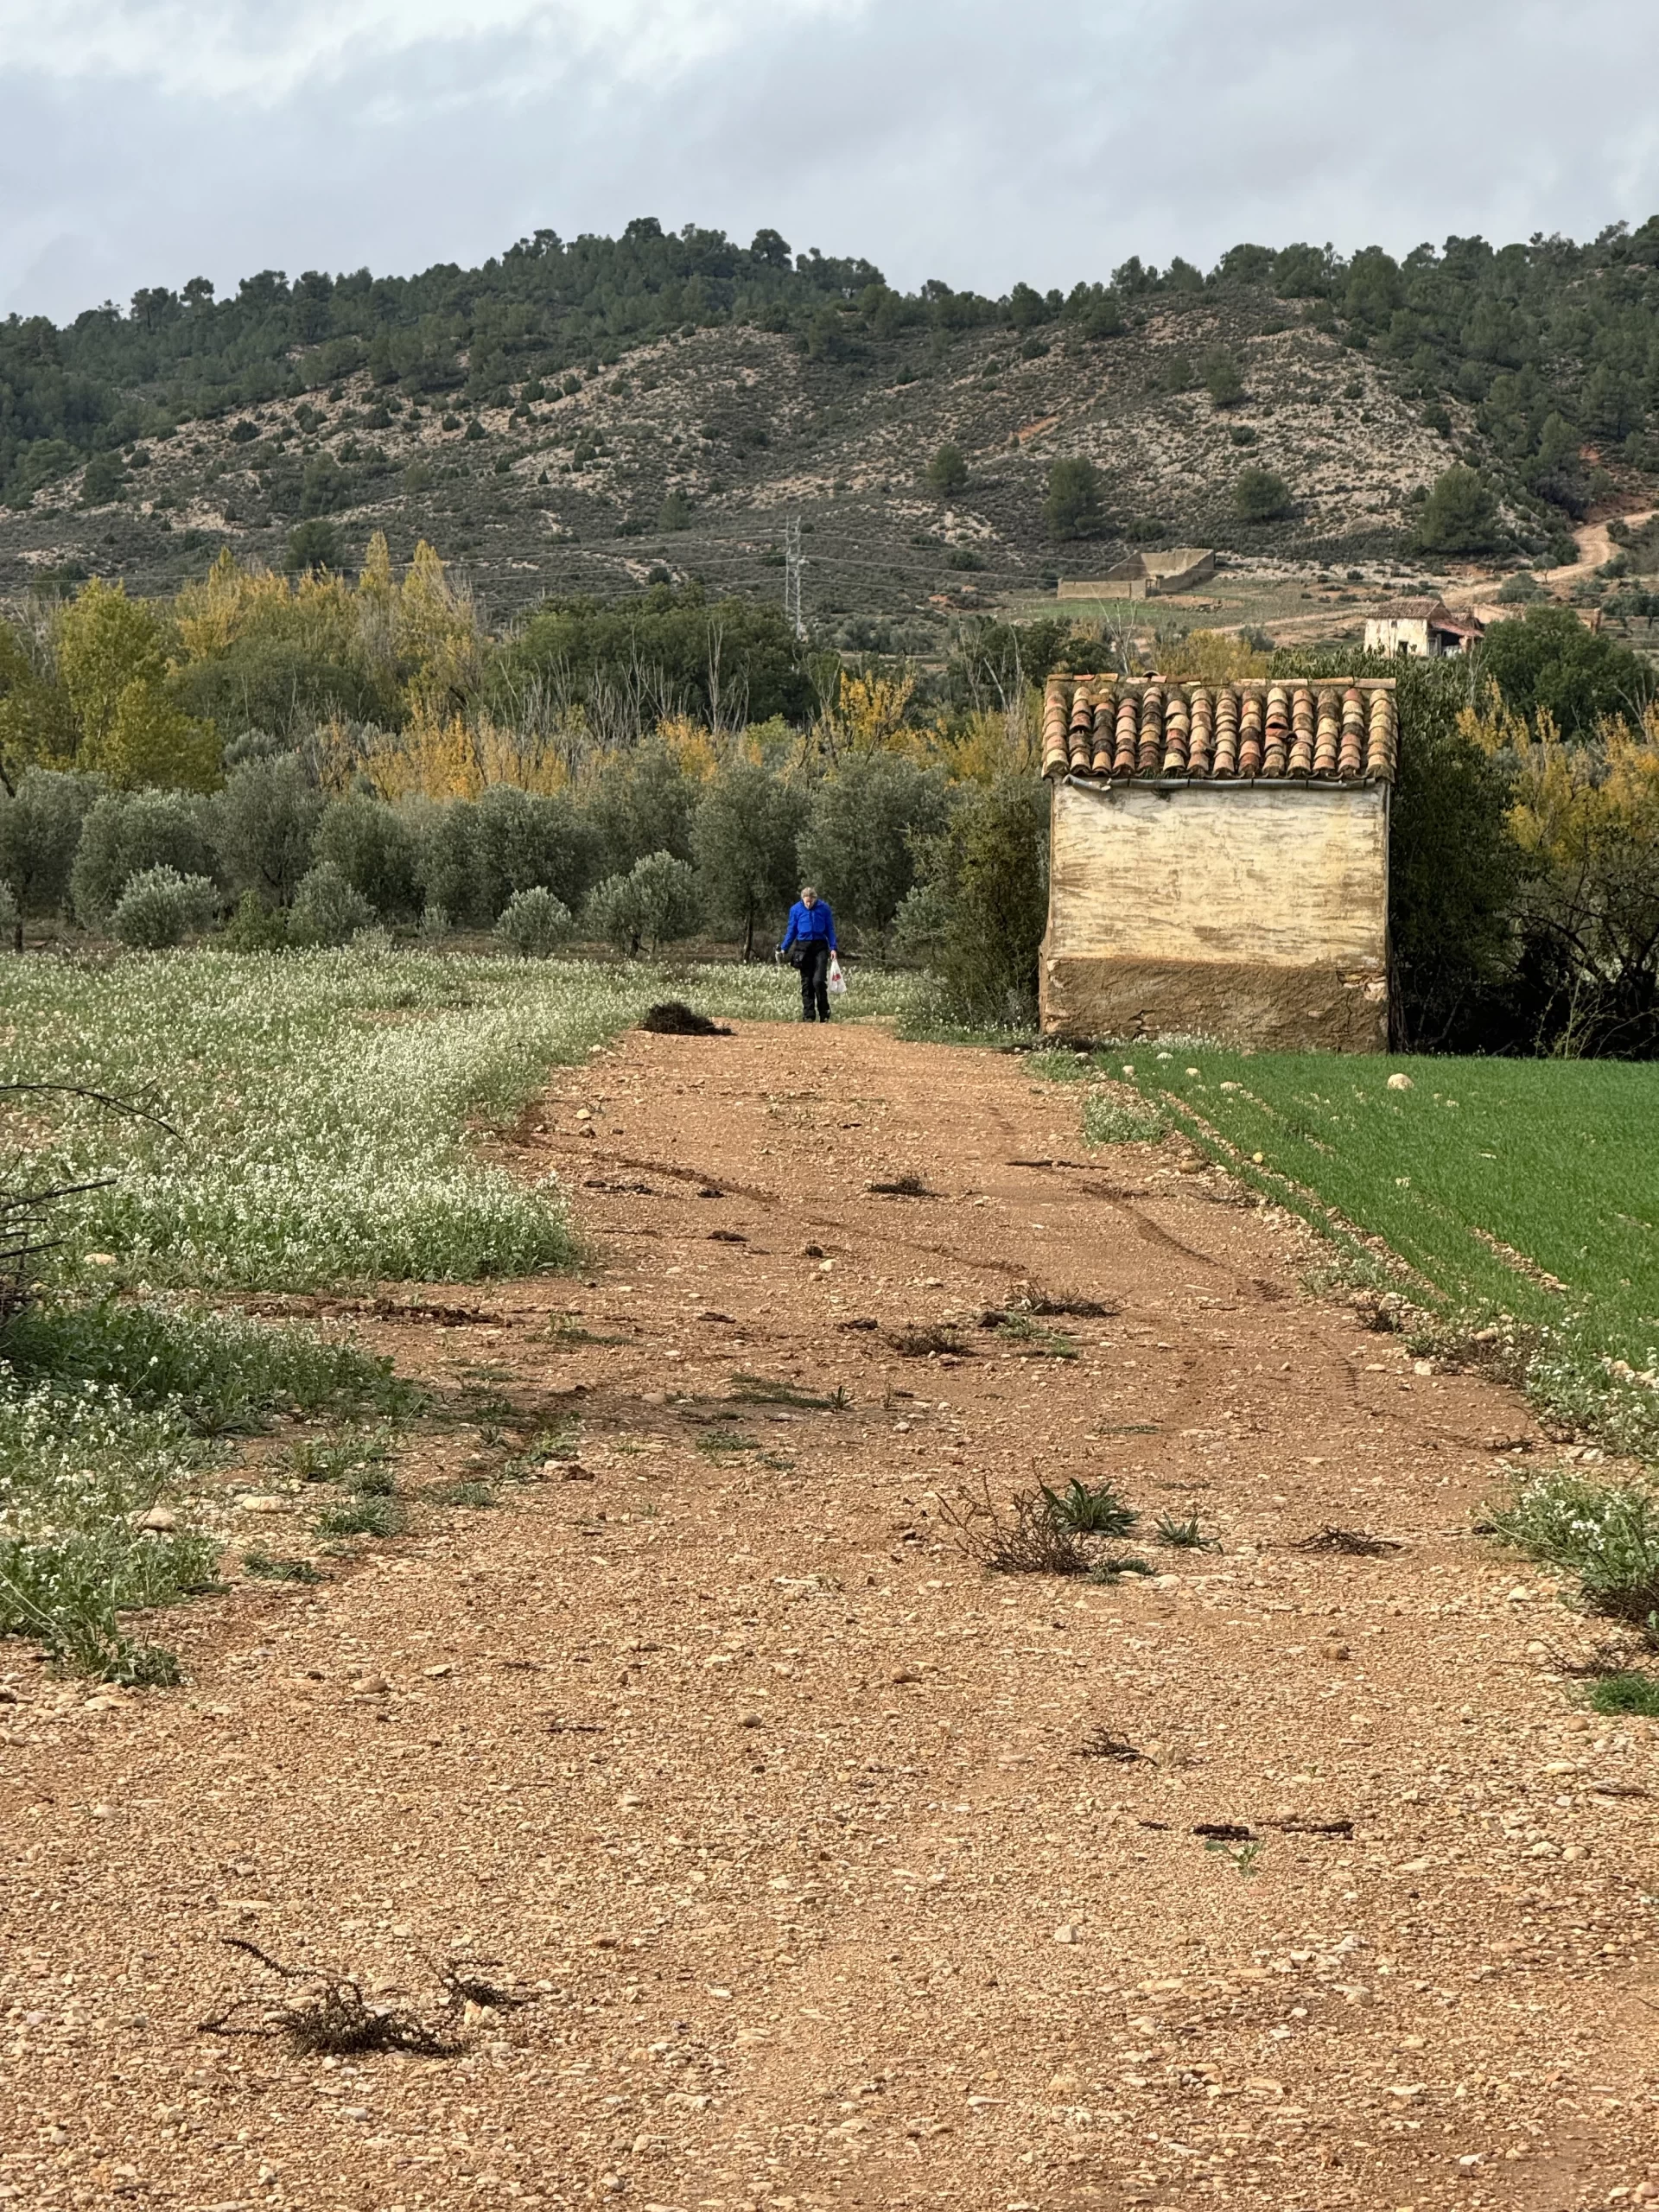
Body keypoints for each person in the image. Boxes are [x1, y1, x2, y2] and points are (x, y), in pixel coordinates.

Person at [778, 884, 838, 1022]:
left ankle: (825, 1013)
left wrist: (833, 947)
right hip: (802, 948)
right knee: (806, 983)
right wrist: (784, 947)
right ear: (803, 900)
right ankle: (808, 1015)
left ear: (815, 899)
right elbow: (791, 930)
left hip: (820, 947)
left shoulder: (824, 908)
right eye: (806, 901)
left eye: (811, 901)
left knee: (818, 981)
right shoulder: (795, 909)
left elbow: (830, 929)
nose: (809, 904)